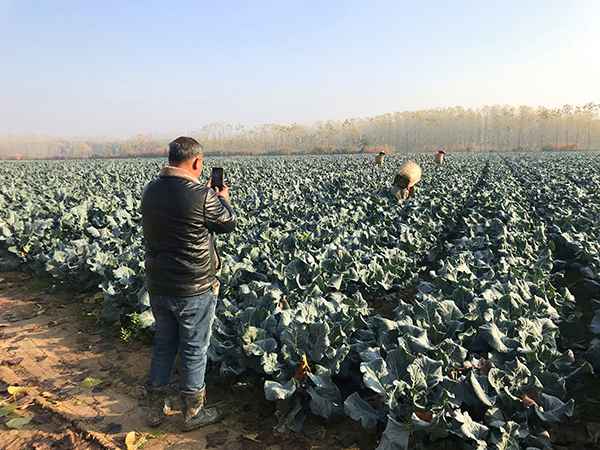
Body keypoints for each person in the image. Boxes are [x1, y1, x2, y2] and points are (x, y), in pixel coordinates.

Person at [141, 136, 236, 431]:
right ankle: (193, 413)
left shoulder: (150, 190)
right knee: (195, 347)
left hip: (159, 285)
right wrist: (222, 198)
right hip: (194, 288)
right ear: (196, 162)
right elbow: (227, 223)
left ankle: (156, 408)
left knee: (164, 344)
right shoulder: (201, 196)